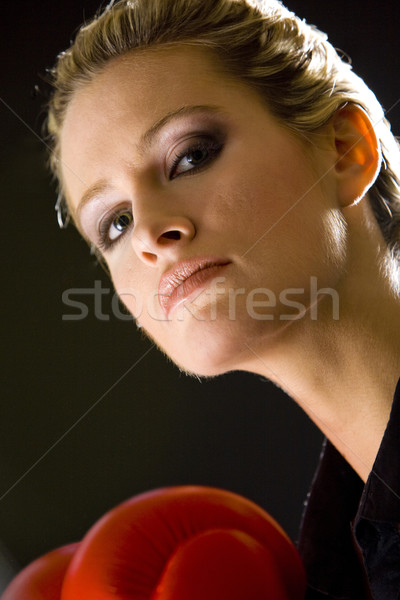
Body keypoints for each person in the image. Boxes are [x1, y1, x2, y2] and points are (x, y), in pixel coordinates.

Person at [46, 0, 400, 598]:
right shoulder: (343, 569)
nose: (152, 234)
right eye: (114, 222)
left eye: (190, 156)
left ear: (345, 148)